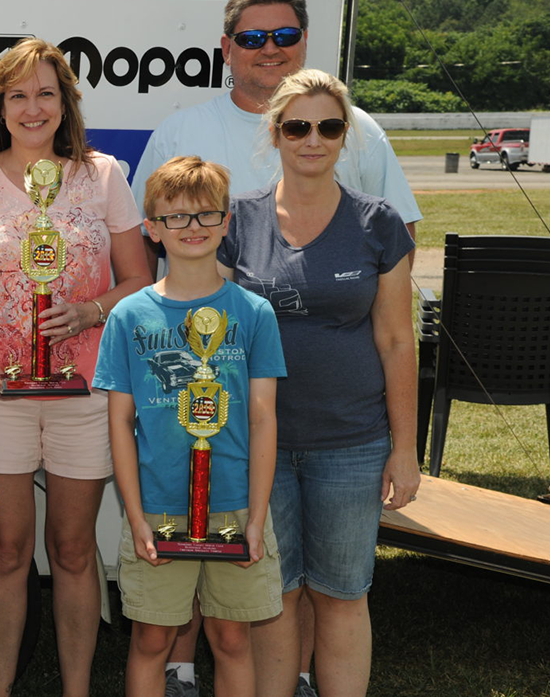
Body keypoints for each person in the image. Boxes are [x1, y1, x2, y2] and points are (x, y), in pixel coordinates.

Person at [0, 37, 151, 695]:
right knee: (4, 550)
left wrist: (90, 312)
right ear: (0, 105)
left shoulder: (103, 174)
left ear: (66, 103)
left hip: (85, 389)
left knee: (74, 549)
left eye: (46, 94)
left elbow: (139, 279)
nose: (33, 108)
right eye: (18, 95)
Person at [218, 69, 418, 697]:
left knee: (340, 595)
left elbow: (395, 340)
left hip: (352, 443)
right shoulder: (236, 221)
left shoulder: (379, 223)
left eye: (329, 126)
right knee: (273, 596)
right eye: (298, 126)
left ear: (345, 135)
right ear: (275, 132)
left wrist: (404, 449)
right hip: (258, 448)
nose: (313, 139)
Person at [93, 156, 286, 697]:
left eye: (206, 215)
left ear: (227, 222)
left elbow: (264, 418)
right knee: (153, 640)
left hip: (235, 503)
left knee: (231, 639)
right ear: (151, 229)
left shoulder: (253, 314)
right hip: (157, 506)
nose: (193, 228)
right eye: (176, 218)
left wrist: (257, 516)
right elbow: (120, 424)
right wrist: (133, 516)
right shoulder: (129, 316)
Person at [132, 0, 420, 276]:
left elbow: (397, 236)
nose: (270, 48)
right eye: (252, 38)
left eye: (285, 36)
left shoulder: (357, 129)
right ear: (226, 48)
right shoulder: (176, 134)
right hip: (210, 323)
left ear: (304, 40)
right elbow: (142, 241)